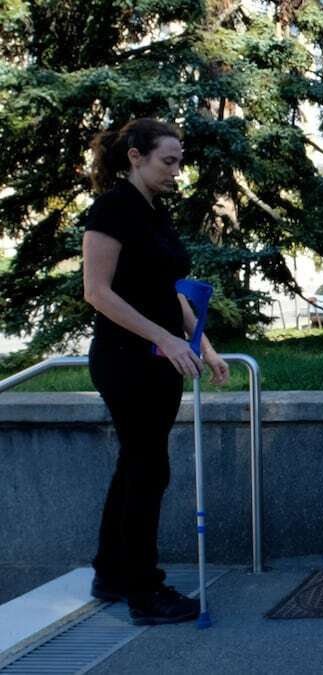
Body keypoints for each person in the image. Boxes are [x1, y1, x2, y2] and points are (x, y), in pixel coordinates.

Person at [81, 118, 230, 625]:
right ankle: (146, 593)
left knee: (135, 467)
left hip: (159, 359)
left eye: (179, 163)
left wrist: (203, 346)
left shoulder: (152, 212)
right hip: (126, 360)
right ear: (135, 157)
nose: (176, 171)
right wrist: (163, 338)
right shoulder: (113, 209)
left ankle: (111, 573)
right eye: (168, 161)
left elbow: (169, 291)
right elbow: (98, 293)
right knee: (148, 470)